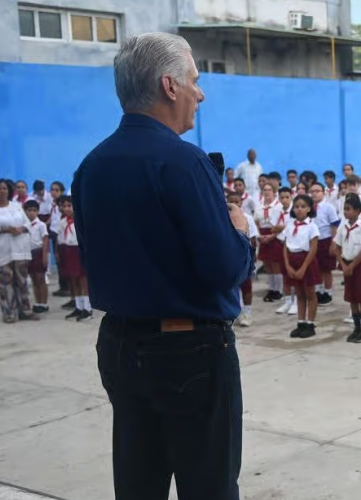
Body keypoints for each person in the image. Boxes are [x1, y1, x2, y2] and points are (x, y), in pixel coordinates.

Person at [72, 33, 253, 500]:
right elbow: (224, 267)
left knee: (138, 484)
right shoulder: (184, 162)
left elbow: (93, 260)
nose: (201, 92)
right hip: (187, 352)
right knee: (209, 486)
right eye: (194, 80)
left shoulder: (91, 166)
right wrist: (239, 231)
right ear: (170, 86)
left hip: (118, 346)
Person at [334, 193, 361, 343]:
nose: (346, 212)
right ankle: (356, 328)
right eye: (344, 209)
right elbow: (336, 248)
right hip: (346, 264)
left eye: (349, 209)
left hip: (359, 266)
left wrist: (352, 265)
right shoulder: (342, 228)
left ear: (358, 211)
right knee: (352, 298)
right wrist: (344, 265)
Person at [283, 195, 320, 339]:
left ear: (309, 209)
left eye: (303, 206)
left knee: (310, 293)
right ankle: (301, 322)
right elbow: (285, 246)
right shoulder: (290, 225)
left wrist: (304, 267)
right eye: (297, 206)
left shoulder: (312, 226)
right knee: (299, 294)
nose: (299, 209)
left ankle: (310, 324)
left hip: (306, 261)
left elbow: (313, 249)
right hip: (293, 260)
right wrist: (287, 265)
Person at [0, 179, 34, 323]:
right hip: (3, 250)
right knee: (6, 282)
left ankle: (25, 311)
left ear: (8, 190)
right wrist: (7, 229)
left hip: (20, 249)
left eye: (4, 188)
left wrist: (20, 229)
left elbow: (28, 223)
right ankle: (9, 312)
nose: (2, 191)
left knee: (22, 281)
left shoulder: (17, 206)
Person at [227, 191, 258, 327]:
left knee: (246, 286)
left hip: (244, 254)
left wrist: (252, 256)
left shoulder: (247, 218)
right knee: (232, 285)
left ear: (241, 203)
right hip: (229, 254)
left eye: (237, 201)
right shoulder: (223, 217)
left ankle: (247, 312)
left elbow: (253, 238)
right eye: (231, 201)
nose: (234, 204)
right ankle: (235, 312)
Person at [308, 182, 340, 305]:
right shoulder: (309, 207)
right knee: (316, 268)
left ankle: (328, 292)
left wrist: (333, 242)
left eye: (317, 191)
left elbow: (334, 225)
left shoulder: (328, 207)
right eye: (312, 191)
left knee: (326, 269)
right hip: (313, 241)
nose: (314, 194)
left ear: (323, 192)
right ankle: (319, 290)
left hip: (326, 240)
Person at [256, 184, 285, 303]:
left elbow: (281, 224)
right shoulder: (259, 207)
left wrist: (271, 236)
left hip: (275, 235)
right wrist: (259, 236)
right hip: (263, 235)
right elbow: (256, 222)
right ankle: (271, 289)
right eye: (264, 190)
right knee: (267, 264)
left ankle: (279, 290)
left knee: (276, 264)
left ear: (274, 192)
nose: (267, 192)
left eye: (269, 190)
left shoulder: (279, 206)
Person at [24, 200, 49, 314]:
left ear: (38, 211)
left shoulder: (41, 225)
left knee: (41, 279)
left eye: (34, 210)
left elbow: (45, 241)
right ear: (25, 211)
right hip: (29, 254)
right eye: (29, 210)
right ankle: (37, 302)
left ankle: (44, 303)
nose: (32, 213)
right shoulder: (24, 226)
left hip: (38, 253)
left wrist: (44, 256)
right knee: (34, 279)